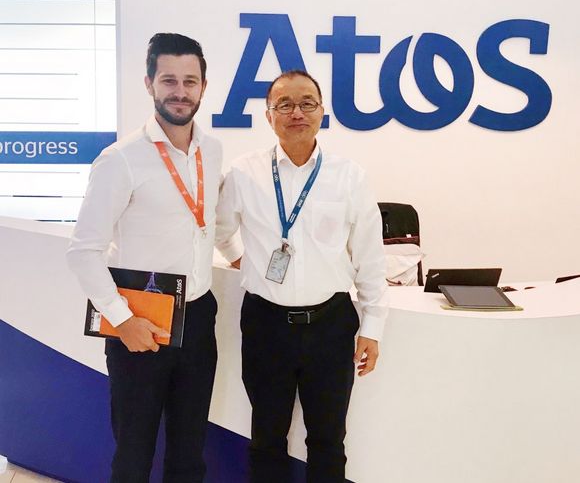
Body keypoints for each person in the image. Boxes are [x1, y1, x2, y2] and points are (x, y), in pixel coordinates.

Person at [67, 33, 240, 483]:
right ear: (149, 84)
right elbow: (83, 251)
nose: (180, 91)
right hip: (141, 321)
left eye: (190, 81)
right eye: (169, 80)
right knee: (134, 454)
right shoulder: (120, 159)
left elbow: (209, 222)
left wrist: (238, 257)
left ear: (204, 86)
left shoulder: (212, 150)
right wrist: (123, 320)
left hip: (198, 317)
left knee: (189, 452)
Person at [215, 70, 389, 483]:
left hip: (330, 325)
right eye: (285, 105)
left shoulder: (349, 176)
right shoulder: (243, 172)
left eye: (307, 103)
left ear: (322, 111)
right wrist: (241, 259)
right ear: (268, 115)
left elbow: (369, 256)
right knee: (266, 438)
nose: (297, 113)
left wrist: (373, 325)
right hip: (265, 324)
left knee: (328, 441)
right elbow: (219, 230)